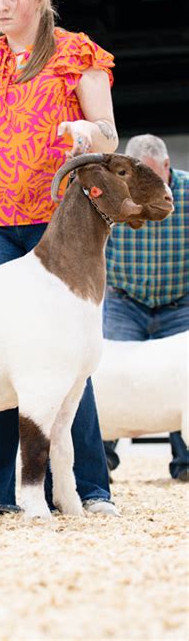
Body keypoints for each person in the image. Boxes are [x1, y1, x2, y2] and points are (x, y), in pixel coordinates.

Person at [0, 0, 120, 519]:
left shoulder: (78, 54)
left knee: (64, 355)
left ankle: (87, 488)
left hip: (58, 219)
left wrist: (86, 130)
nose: (1, 5)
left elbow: (111, 137)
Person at [103, 134, 189, 482]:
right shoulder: (116, 193)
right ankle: (99, 464)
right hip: (125, 300)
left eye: (153, 175)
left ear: (167, 167)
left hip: (179, 301)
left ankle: (185, 465)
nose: (146, 185)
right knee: (106, 380)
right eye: (140, 176)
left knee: (184, 382)